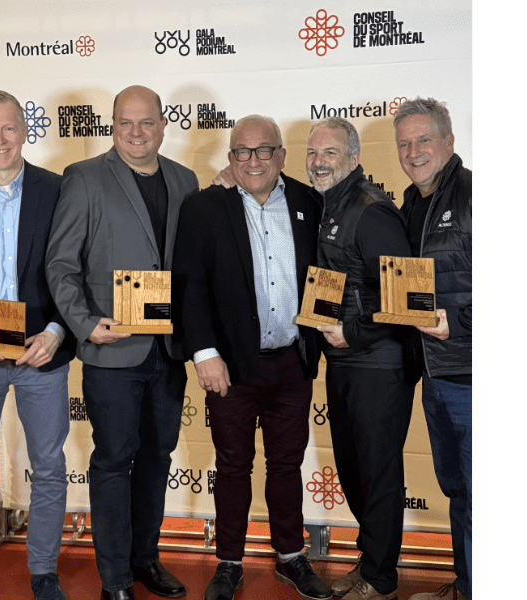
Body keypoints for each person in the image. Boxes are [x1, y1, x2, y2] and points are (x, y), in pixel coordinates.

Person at [46, 85, 198, 600]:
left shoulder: (185, 180)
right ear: (112, 126)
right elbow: (61, 264)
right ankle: (115, 579)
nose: (136, 132)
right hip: (111, 348)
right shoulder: (85, 178)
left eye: (146, 122)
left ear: (162, 124)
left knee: (158, 456)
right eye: (125, 122)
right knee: (113, 459)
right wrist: (85, 324)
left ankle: (146, 560)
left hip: (169, 350)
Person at [173, 116, 331, 600]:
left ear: (282, 155)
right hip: (230, 366)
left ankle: (290, 557)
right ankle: (228, 560)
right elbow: (190, 286)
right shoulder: (204, 207)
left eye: (265, 151)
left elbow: (326, 274)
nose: (254, 161)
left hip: (291, 360)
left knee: (286, 464)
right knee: (233, 465)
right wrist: (204, 353)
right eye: (243, 151)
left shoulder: (309, 202)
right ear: (230, 157)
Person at [0, 90, 76, 600]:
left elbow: (76, 271)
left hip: (41, 353)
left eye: (9, 128)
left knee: (49, 468)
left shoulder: (59, 191)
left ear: (26, 131)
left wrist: (56, 331)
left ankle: (43, 572)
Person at [306, 117, 413, 600]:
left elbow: (407, 300)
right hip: (345, 362)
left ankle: (383, 579)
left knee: (378, 472)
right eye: (313, 153)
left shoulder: (372, 211)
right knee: (354, 469)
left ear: (353, 158)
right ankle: (371, 563)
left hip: (378, 365)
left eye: (329, 153)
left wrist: (351, 332)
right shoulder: (330, 206)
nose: (319, 161)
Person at [392, 98, 472, 600]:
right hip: (436, 374)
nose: (414, 151)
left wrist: (461, 323)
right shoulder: (413, 201)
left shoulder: (474, 194)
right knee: (460, 492)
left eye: (424, 140)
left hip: (477, 374)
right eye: (405, 143)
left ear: (448, 141)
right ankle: (467, 586)